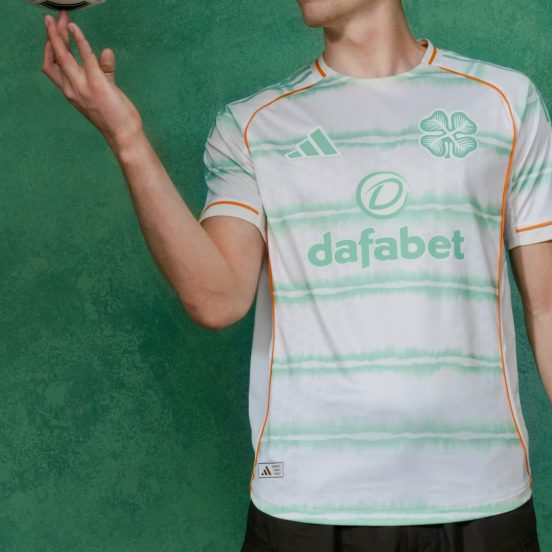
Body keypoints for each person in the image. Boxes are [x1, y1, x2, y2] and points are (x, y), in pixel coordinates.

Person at [41, 1, 551, 550]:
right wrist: (128, 139)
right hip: (306, 501)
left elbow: (545, 308)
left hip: (482, 496)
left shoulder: (503, 100)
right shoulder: (253, 124)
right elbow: (217, 301)